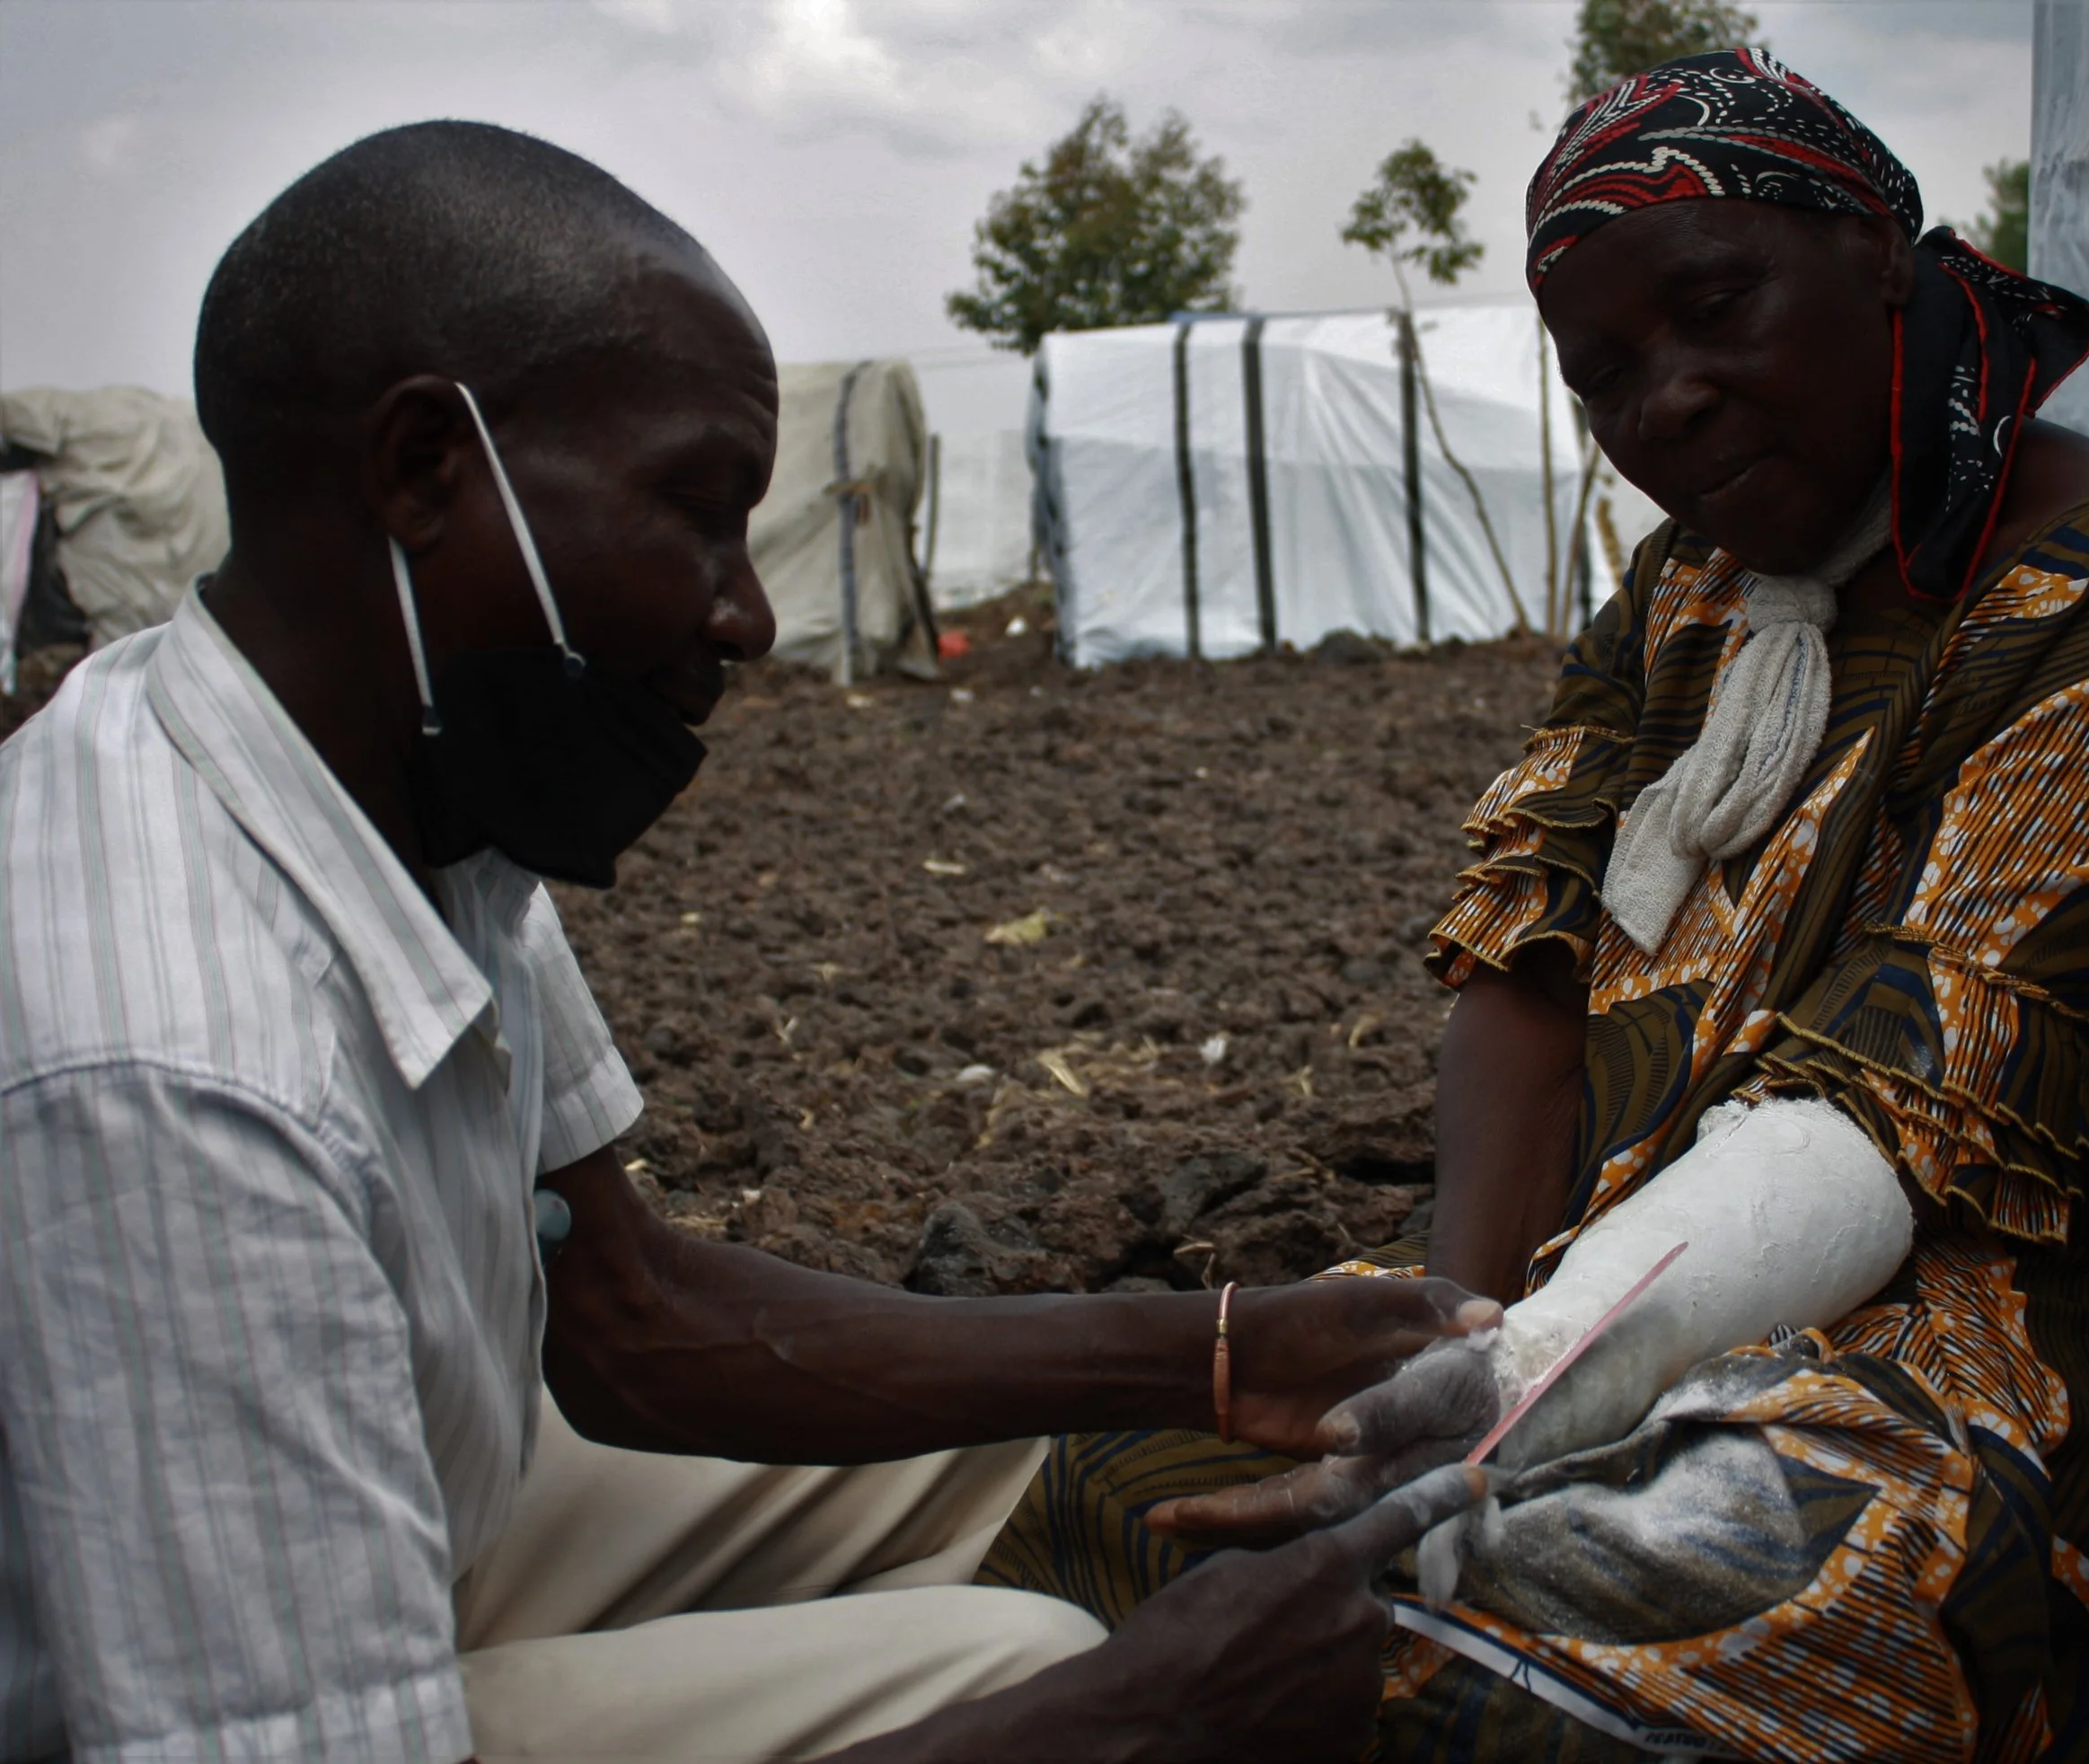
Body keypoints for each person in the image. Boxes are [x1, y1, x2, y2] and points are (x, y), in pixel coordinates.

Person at [0, 121, 1498, 1764]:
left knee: (1025, 1467)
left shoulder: (395, 790)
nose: (748, 612)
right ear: (426, 467)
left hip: (410, 1495)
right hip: (210, 1703)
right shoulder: (172, 1070)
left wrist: (1217, 1354)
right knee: (1024, 1668)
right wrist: (1134, 1720)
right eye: (695, 510)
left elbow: (629, 1320)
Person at [981, 49, 2089, 1763]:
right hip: (1630, 1297)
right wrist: (1451, 1343)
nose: (1669, 402)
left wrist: (1533, 1380)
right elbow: (1528, 963)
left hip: (2032, 1362)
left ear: (1879, 247)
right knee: (1140, 1471)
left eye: (1715, 308)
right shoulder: (1685, 594)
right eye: (1605, 380)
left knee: (1653, 1570)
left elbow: (1885, 1114)